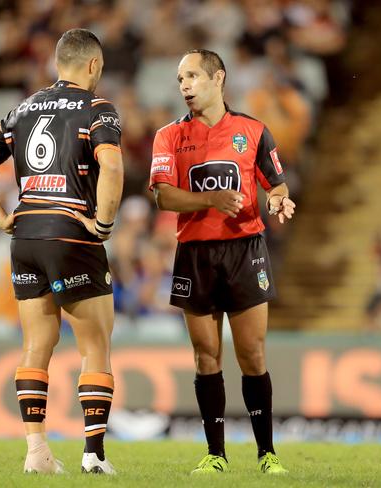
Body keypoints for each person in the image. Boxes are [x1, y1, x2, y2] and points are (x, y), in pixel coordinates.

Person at [0, 29, 124, 475]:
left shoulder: (24, 109)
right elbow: (110, 164)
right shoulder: (98, 108)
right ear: (93, 65)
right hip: (72, 232)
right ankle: (93, 455)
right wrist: (105, 223)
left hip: (26, 236)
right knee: (95, 346)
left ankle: (37, 453)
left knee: (37, 344)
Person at [149, 49, 295, 475]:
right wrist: (210, 199)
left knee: (252, 353)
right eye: (180, 79)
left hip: (245, 249)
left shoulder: (253, 130)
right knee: (206, 356)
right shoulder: (169, 136)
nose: (184, 86)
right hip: (195, 252)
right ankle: (215, 455)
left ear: (218, 78)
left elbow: (277, 187)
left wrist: (281, 203)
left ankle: (267, 454)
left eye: (192, 76)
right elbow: (161, 195)